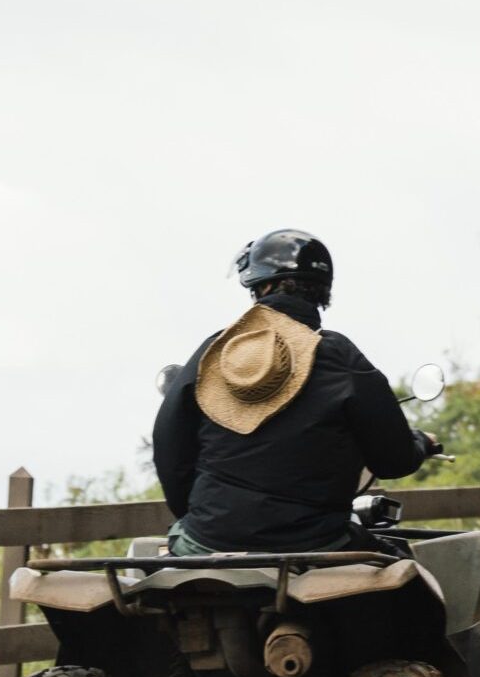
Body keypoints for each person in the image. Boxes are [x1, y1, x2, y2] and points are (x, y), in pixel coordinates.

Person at [152, 229, 438, 556]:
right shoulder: (341, 358)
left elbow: (168, 443)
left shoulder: (218, 350)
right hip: (314, 544)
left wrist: (196, 515)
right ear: (321, 292)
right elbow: (393, 460)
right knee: (405, 569)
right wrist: (420, 443)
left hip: (206, 541)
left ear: (264, 286)